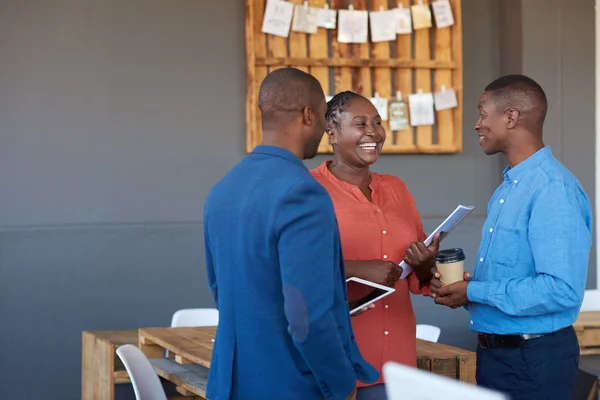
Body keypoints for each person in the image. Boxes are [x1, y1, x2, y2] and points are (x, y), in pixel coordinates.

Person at [203, 69, 378, 400]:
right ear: (309, 115)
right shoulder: (302, 192)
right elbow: (307, 314)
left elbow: (220, 290)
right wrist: (340, 384)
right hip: (289, 385)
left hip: (229, 383)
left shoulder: (224, 188)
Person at [430, 74, 592, 400]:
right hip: (497, 358)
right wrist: (465, 292)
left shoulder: (552, 189)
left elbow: (561, 290)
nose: (477, 125)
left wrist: (474, 289)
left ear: (511, 117)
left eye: (481, 113)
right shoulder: (508, 189)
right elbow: (514, 279)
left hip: (534, 362)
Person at [310, 91, 439, 400]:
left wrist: (424, 266)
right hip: (337, 363)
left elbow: (418, 276)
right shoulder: (309, 190)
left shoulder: (396, 188)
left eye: (377, 122)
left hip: (397, 363)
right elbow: (293, 270)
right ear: (332, 133)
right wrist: (356, 269)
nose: (373, 132)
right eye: (360, 123)